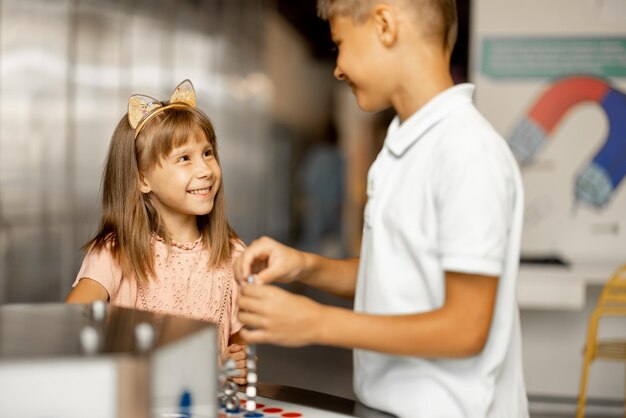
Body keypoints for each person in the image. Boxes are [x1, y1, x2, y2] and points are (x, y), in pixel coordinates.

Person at [234, 1, 528, 417]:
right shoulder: (398, 149)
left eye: (340, 44)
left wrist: (316, 323)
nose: (337, 68)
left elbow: (465, 328)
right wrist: (303, 265)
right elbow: (391, 275)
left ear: (385, 25)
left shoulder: (467, 151)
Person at [66, 80, 247, 383]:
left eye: (207, 153)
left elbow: (242, 357)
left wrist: (235, 366)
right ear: (142, 179)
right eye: (184, 158)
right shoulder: (116, 251)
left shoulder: (234, 255)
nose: (205, 170)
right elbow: (69, 327)